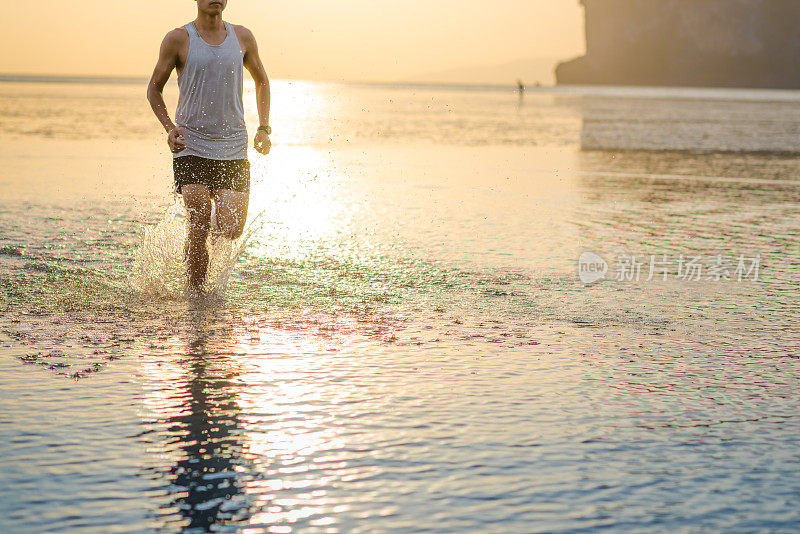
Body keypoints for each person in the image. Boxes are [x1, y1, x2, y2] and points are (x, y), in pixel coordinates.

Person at [146, 0, 271, 295]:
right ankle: (195, 295)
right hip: (191, 143)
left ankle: (206, 238)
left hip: (233, 145)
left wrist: (264, 127)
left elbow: (262, 81)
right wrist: (169, 128)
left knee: (231, 228)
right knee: (198, 217)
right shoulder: (178, 38)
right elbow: (154, 88)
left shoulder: (243, 37)